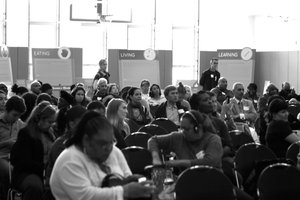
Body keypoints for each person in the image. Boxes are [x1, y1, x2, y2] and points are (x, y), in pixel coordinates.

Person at [50, 111, 155, 200]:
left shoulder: (113, 151)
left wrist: (130, 180)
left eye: (111, 142)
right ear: (86, 140)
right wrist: (125, 191)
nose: (109, 149)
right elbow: (85, 196)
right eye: (103, 144)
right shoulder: (69, 160)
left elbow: (125, 176)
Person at [10, 101, 57, 200]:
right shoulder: (25, 133)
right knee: (35, 186)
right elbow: (22, 162)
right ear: (40, 119)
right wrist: (43, 166)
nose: (51, 125)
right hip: (27, 173)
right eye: (49, 122)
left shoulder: (50, 134)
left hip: (46, 172)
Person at [148, 110, 223, 170]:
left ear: (198, 128)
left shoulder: (213, 139)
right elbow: (153, 140)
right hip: (187, 180)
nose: (183, 132)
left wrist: (177, 163)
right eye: (181, 128)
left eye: (186, 129)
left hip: (211, 179)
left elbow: (209, 161)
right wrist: (156, 158)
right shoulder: (178, 137)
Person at [0, 96, 26, 199]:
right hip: (1, 156)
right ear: (6, 110)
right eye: (14, 115)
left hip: (15, 157)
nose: (16, 118)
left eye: (19, 116)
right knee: (9, 171)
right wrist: (7, 143)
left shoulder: (20, 124)